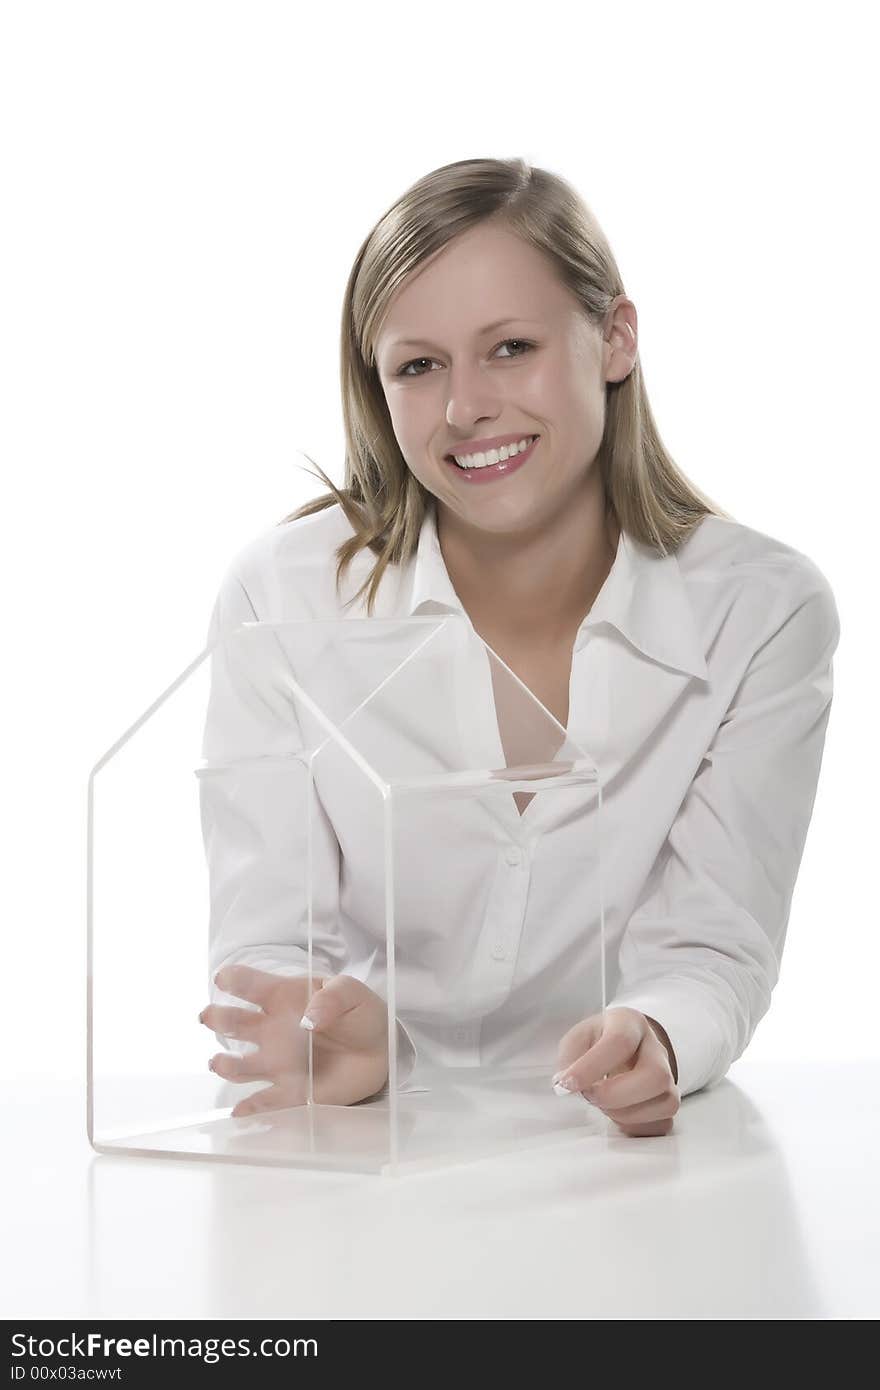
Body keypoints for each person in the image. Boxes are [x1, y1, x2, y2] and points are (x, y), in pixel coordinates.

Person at [197, 156, 839, 1137]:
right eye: (419, 366)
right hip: (363, 1161)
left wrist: (656, 1035)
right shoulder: (280, 596)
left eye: (509, 348)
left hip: (620, 1166)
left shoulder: (761, 612)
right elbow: (273, 937)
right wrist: (331, 1031)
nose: (465, 408)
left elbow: (715, 947)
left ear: (614, 338)